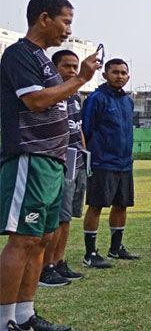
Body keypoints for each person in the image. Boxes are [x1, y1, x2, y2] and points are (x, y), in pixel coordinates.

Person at [1, 0, 99, 331]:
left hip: (54, 160)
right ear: (44, 18)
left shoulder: (43, 60)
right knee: (23, 239)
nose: (68, 30)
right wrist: (81, 79)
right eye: (66, 21)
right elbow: (35, 101)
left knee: (42, 238)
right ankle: (4, 321)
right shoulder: (19, 55)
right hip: (31, 156)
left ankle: (26, 315)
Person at [81, 58, 138, 268]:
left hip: (124, 164)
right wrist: (87, 158)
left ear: (128, 77)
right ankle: (90, 253)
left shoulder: (128, 101)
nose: (119, 76)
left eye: (123, 73)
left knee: (121, 205)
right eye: (115, 72)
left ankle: (116, 249)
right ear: (105, 75)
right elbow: (85, 130)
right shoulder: (96, 98)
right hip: (102, 163)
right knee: (96, 206)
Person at [38, 50, 86, 287]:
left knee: (67, 218)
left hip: (76, 161)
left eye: (75, 67)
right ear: (53, 68)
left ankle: (58, 262)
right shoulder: (50, 96)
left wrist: (85, 157)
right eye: (66, 66)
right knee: (55, 218)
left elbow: (79, 129)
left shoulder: (75, 97)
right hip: (58, 161)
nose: (72, 72)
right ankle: (44, 267)